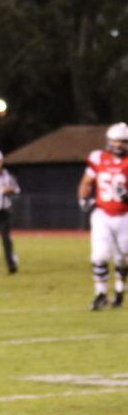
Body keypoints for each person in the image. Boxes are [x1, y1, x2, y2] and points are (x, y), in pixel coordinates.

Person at [77, 121, 128, 310]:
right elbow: (86, 182)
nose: (119, 145)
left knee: (123, 257)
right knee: (99, 255)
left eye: (123, 141)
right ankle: (100, 294)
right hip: (102, 213)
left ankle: (120, 291)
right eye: (116, 141)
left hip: (124, 216)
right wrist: (83, 199)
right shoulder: (98, 158)